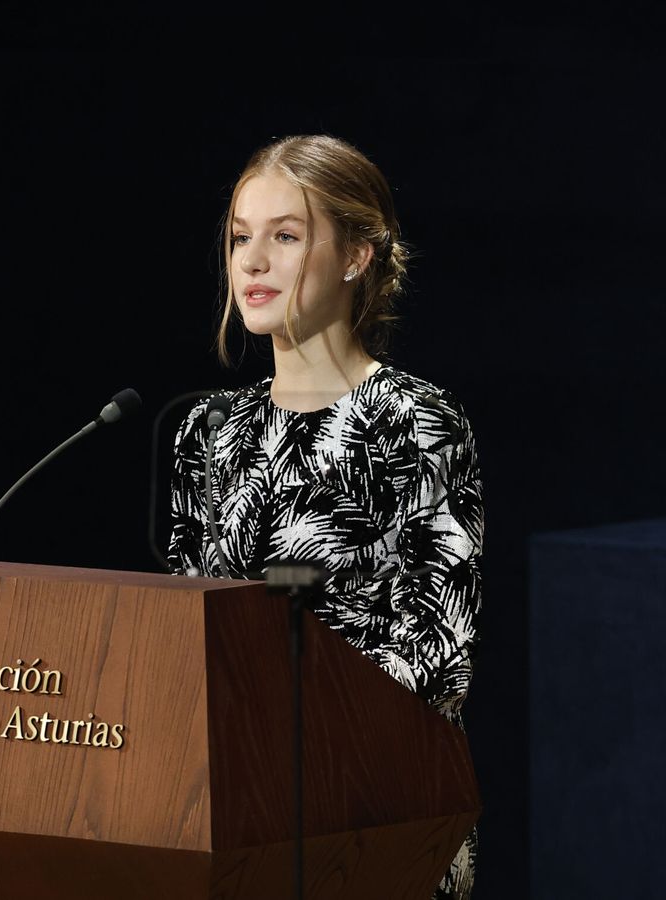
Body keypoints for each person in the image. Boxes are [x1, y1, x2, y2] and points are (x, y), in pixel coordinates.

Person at [167, 134, 483, 900]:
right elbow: (180, 634)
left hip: (380, 820)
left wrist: (294, 736)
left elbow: (440, 652)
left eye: (286, 235)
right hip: (234, 820)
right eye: (241, 237)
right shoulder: (206, 431)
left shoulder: (416, 421)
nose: (252, 261)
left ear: (356, 256)